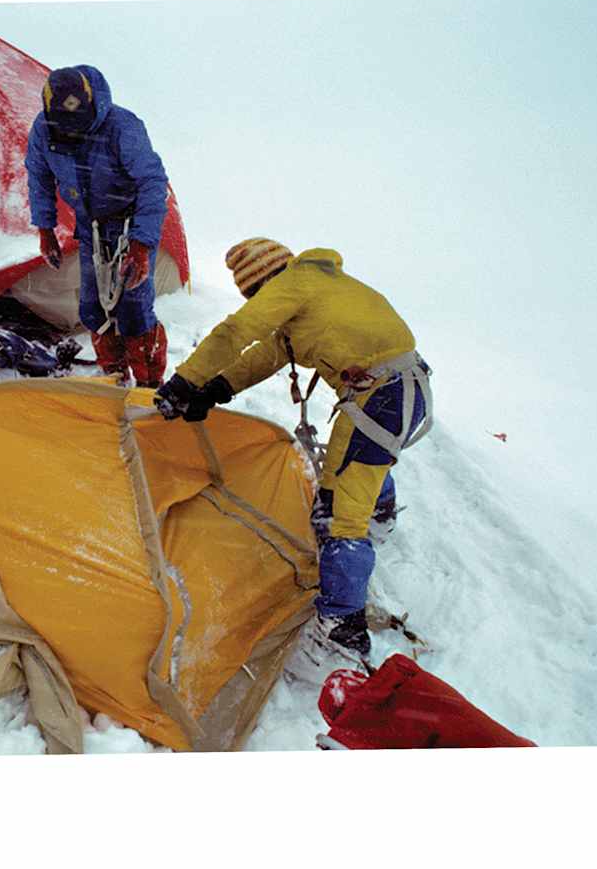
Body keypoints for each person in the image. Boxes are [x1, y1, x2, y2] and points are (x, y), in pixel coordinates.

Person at [153, 238, 432, 677]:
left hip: (383, 396)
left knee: (340, 512)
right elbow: (265, 354)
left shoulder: (296, 283)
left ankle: (342, 630)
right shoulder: (318, 289)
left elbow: (236, 333)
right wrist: (215, 389)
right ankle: (378, 516)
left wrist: (185, 381)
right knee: (356, 470)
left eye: (254, 296)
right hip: (398, 392)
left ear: (262, 285)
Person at [25, 65, 171, 388]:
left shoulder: (122, 127)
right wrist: (45, 228)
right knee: (93, 308)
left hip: (130, 225)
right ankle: (114, 379)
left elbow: (152, 182)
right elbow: (38, 174)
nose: (71, 132)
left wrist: (142, 244)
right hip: (91, 227)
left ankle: (150, 386)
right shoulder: (44, 129)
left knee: (134, 310)